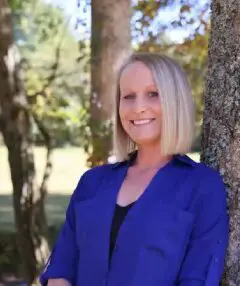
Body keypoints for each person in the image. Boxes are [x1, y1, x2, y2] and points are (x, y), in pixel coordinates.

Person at [40, 53, 229, 286]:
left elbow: (198, 278)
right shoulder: (92, 183)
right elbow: (61, 269)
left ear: (175, 101)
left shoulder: (202, 187)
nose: (138, 107)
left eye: (153, 94)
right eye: (128, 96)